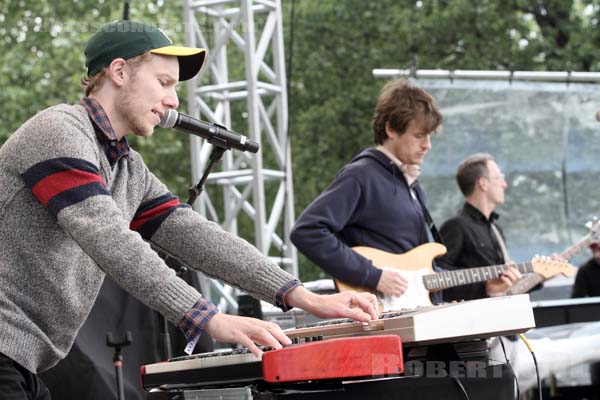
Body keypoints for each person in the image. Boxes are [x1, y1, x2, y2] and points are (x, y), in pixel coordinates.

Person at [0, 20, 378, 399]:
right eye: (164, 82)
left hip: (22, 361)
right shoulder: (58, 132)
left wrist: (303, 297)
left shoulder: (127, 169)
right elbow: (111, 241)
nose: (173, 101)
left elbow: (196, 236)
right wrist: (208, 319)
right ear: (119, 71)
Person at [290, 80, 519, 308]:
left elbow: (423, 278)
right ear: (391, 129)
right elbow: (307, 231)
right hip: (383, 316)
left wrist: (484, 287)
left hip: (416, 317)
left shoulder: (413, 186)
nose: (427, 145)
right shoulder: (361, 175)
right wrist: (373, 276)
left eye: (430, 136)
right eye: (419, 136)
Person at [438, 153, 522, 301]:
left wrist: (541, 276)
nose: (505, 184)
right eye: (499, 177)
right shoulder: (456, 226)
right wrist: (484, 287)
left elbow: (504, 285)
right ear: (483, 183)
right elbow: (438, 277)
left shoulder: (496, 229)